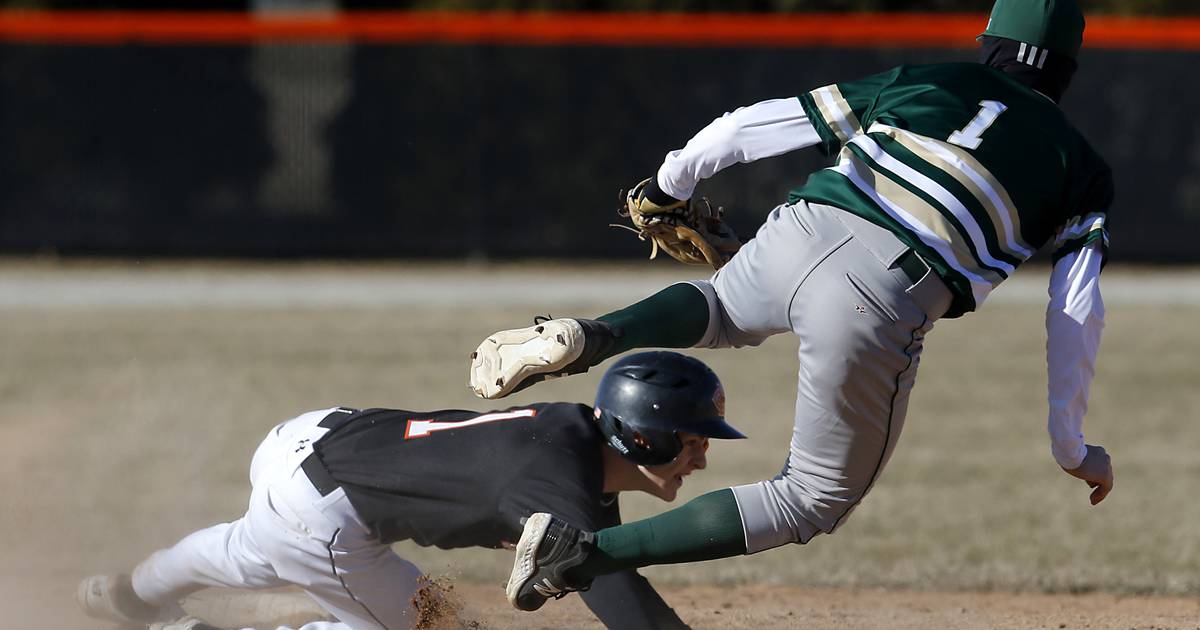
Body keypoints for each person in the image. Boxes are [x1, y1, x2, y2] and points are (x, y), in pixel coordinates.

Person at [468, 0, 1116, 613]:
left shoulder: (933, 80)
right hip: (887, 287)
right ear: (1068, 69)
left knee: (720, 307)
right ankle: (578, 554)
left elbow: (757, 123)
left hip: (809, 221)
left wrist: (670, 183)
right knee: (813, 499)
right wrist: (1069, 443)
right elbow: (1075, 309)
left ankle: (592, 333)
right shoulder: (1081, 166)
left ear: (990, 44)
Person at [76, 351, 745, 630]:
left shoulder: (573, 435)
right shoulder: (557, 477)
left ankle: (132, 593)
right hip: (329, 513)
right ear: (644, 437)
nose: (701, 457)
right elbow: (624, 603)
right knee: (435, 628)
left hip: (307, 441)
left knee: (249, 548)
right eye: (692, 439)